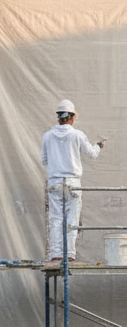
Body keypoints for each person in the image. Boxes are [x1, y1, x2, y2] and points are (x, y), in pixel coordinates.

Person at [41, 98, 105, 263]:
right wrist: (99, 146)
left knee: (56, 218)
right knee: (72, 219)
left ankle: (55, 254)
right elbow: (92, 153)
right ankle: (69, 255)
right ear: (72, 117)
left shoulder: (48, 136)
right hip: (73, 183)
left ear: (59, 117)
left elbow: (44, 160)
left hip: (55, 182)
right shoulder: (77, 135)